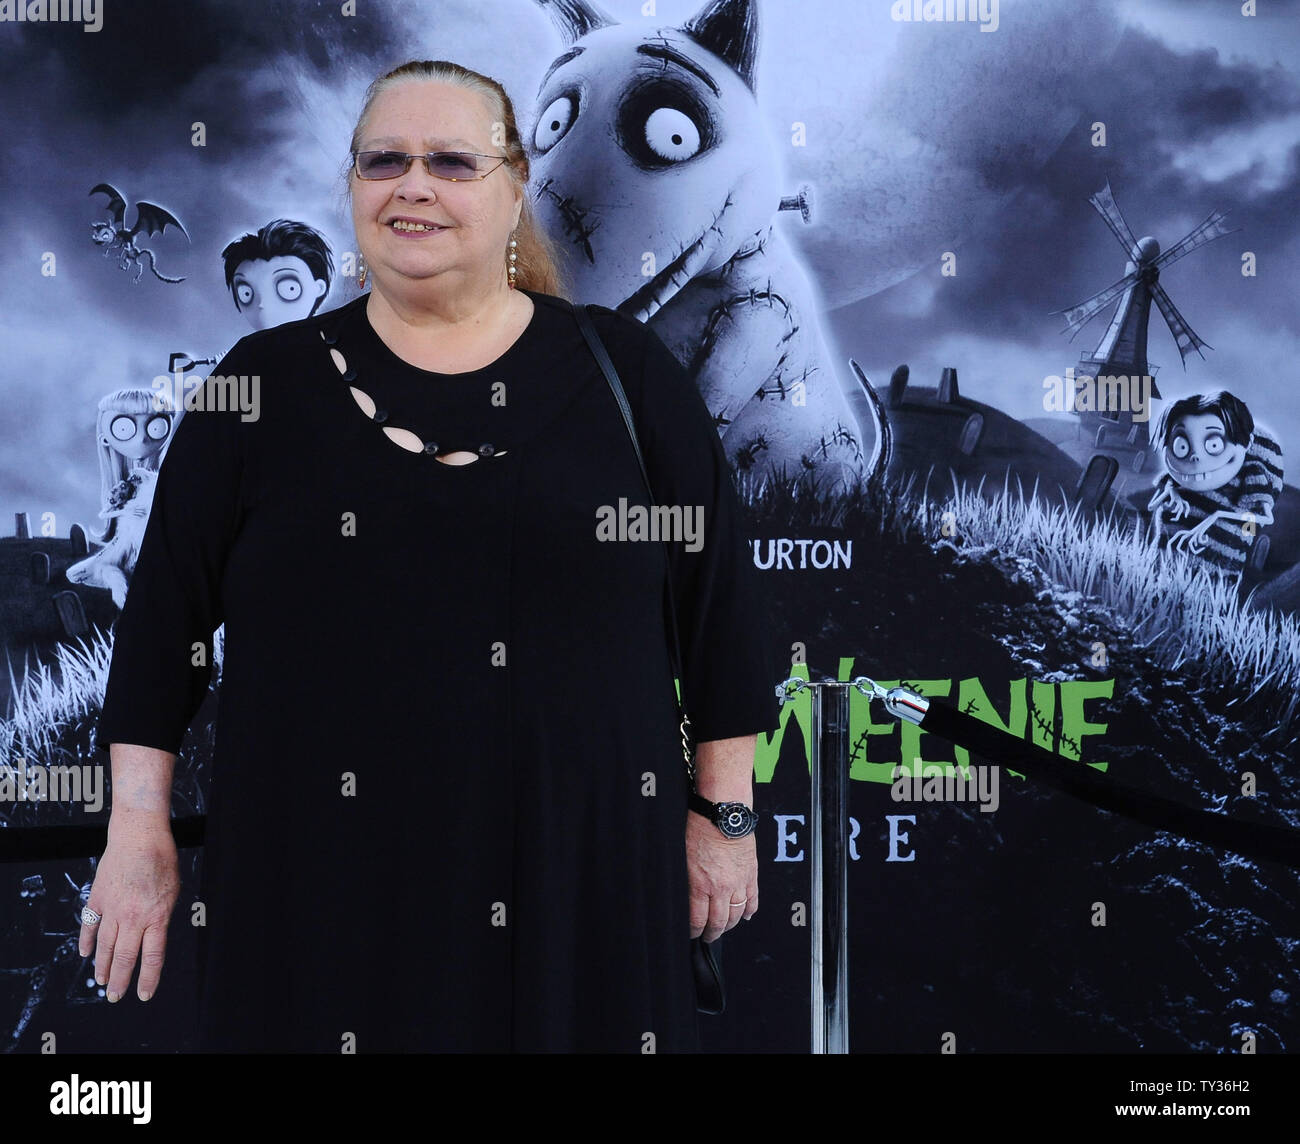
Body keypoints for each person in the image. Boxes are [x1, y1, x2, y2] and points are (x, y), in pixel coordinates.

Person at [85, 59, 779, 1052]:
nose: (414, 185)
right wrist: (136, 831)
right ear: (354, 189)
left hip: (579, 896)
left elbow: (721, 616)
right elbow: (159, 635)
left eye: (452, 161)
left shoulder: (627, 375)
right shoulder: (258, 389)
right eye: (385, 161)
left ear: (513, 189)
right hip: (313, 897)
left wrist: (725, 818)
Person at [221, 218, 335, 331]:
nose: (262, 304)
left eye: (289, 288)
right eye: (246, 293)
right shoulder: (242, 349)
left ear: (318, 288)